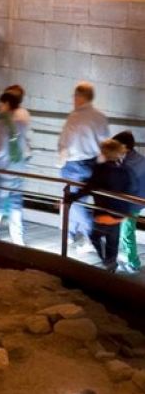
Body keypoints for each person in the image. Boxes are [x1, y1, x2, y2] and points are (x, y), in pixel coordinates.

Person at [65, 139, 137, 272]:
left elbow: (89, 188)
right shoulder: (124, 170)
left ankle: (107, 262)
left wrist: (71, 198)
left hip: (103, 214)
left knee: (94, 236)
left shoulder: (101, 169)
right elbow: (129, 188)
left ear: (104, 152)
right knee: (112, 243)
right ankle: (111, 267)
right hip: (119, 215)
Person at [58, 82, 110, 249]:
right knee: (82, 199)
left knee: (75, 202)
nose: (73, 100)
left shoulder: (75, 117)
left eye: (74, 96)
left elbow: (65, 143)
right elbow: (105, 142)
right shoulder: (100, 116)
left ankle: (91, 235)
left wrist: (59, 162)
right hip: (93, 164)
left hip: (75, 164)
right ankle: (70, 233)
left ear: (80, 97)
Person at [0, 90, 30, 245]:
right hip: (19, 167)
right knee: (16, 203)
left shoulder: (2, 121)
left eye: (0, 103)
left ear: (7, 104)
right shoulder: (21, 120)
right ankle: (17, 237)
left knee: (0, 201)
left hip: (5, 168)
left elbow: (0, 149)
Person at [112, 131, 145, 273]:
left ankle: (134, 263)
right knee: (126, 231)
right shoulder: (140, 159)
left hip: (130, 203)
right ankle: (129, 258)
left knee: (127, 232)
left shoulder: (126, 165)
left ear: (124, 147)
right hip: (139, 200)